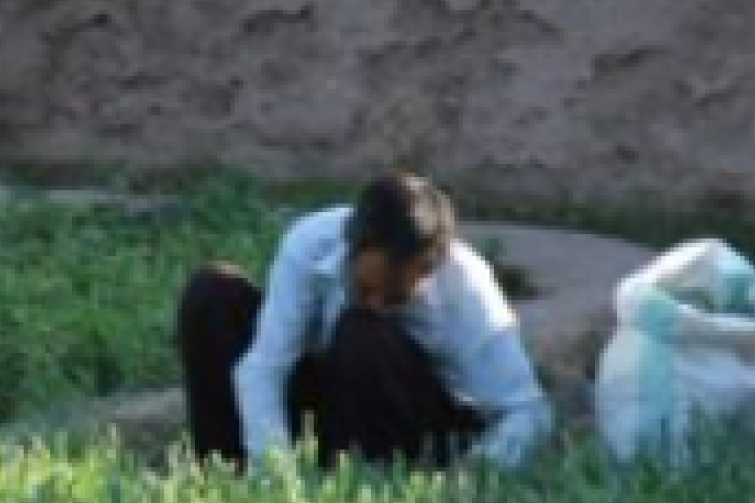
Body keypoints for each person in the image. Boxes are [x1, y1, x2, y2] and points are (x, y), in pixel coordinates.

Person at [179, 172, 554, 474]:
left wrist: (472, 473)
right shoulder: (311, 244)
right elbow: (265, 367)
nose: (376, 302)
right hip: (334, 404)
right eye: (364, 287)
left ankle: (373, 480)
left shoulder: (467, 286)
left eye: (395, 297)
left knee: (363, 330)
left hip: (414, 419)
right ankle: (226, 476)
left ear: (429, 271)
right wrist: (273, 471)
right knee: (213, 293)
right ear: (351, 244)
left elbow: (528, 413)